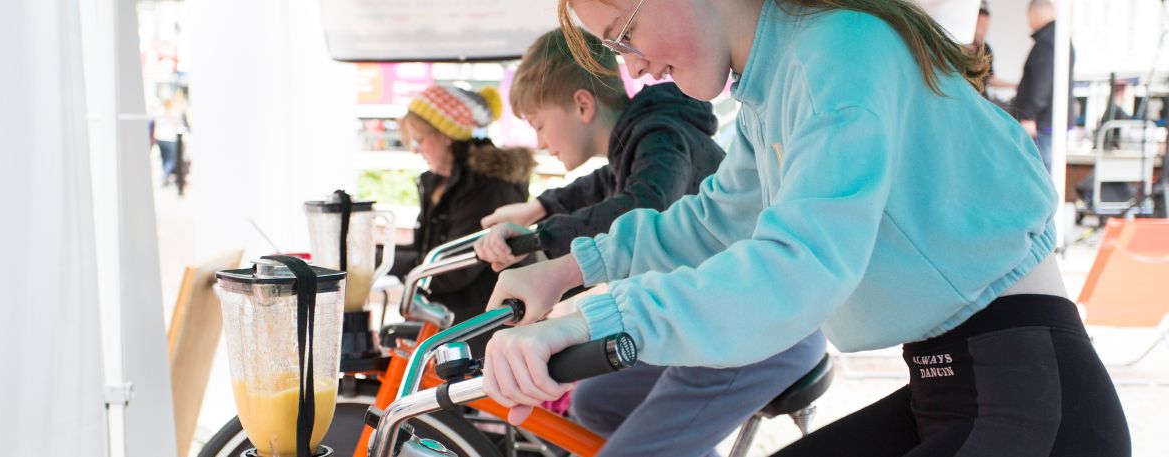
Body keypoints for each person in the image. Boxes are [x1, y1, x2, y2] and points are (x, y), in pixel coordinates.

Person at [480, 1, 1130, 456]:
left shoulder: (838, 50)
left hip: (1030, 400)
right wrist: (568, 270)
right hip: (956, 388)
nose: (635, 67)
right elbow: (715, 220)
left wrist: (595, 320)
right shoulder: (779, 83)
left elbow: (798, 265)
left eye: (626, 33)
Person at [472, 29, 824, 457]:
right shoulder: (643, 139)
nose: (540, 142)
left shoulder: (660, 136)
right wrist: (538, 209)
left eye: (538, 125)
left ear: (582, 104)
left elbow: (644, 204)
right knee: (596, 402)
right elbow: (600, 184)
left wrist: (545, 244)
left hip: (753, 325)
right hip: (701, 315)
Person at [387, 84, 535, 344]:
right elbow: (425, 251)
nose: (414, 149)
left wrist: (384, 262)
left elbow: (452, 270)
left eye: (419, 139)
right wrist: (379, 256)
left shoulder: (487, 186)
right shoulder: (439, 182)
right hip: (447, 319)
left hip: (484, 327)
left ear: (446, 135)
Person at [1013, 0, 1075, 173]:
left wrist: (1029, 116)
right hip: (1050, 123)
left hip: (1042, 125)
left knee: (1040, 174)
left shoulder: (1046, 43)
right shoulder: (1061, 40)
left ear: (1032, 15)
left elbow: (1041, 83)